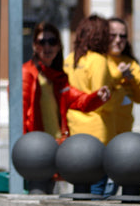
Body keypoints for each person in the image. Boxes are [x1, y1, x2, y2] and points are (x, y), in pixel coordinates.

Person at [21, 21, 110, 193]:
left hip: (56, 148)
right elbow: (20, 113)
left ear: (59, 46)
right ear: (34, 46)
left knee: (51, 199)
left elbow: (77, 99)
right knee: (37, 197)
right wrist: (26, 149)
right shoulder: (27, 73)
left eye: (52, 42)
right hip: (35, 150)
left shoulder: (57, 77)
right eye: (42, 42)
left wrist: (97, 97)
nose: (47, 47)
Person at [64, 14, 123, 195]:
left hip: (75, 131)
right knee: (96, 192)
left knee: (79, 190)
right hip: (97, 135)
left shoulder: (70, 59)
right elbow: (101, 100)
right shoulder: (99, 60)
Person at [102, 17, 140, 137]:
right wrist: (118, 76)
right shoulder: (98, 60)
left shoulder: (131, 63)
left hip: (124, 135)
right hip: (102, 134)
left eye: (122, 36)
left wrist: (132, 80)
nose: (118, 40)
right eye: (112, 35)